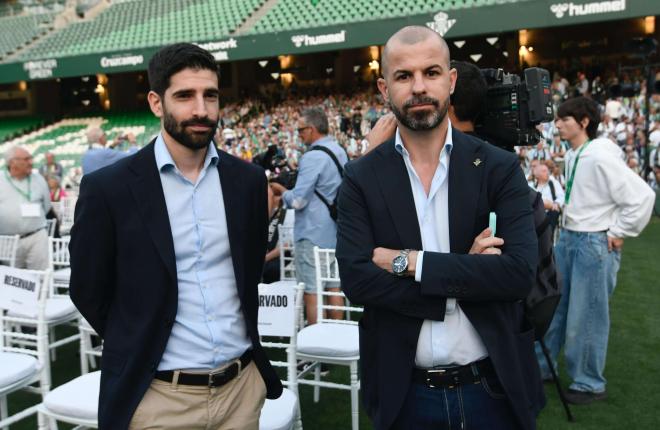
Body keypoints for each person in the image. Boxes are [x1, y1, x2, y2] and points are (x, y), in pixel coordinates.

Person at [336, 26, 543, 430]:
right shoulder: (361, 178)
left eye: (431, 73)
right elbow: (357, 280)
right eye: (403, 76)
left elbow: (518, 274)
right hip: (404, 393)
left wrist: (414, 263)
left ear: (450, 81)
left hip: (493, 388)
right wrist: (465, 271)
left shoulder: (498, 167)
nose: (418, 87)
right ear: (384, 88)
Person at [69, 43, 282, 430]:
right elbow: (87, 288)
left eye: (210, 96)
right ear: (156, 102)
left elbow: (248, 270)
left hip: (240, 392)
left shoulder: (248, 181)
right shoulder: (109, 189)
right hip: (158, 399)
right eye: (184, 96)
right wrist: (138, 339)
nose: (201, 110)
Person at [536, 96, 655, 405]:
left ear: (584, 122)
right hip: (570, 238)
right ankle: (541, 367)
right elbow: (586, 197)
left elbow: (642, 197)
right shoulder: (578, 154)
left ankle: (589, 383)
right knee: (555, 306)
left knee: (585, 314)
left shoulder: (598, 156)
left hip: (591, 242)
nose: (558, 124)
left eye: (565, 119)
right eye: (558, 119)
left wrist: (618, 232)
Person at [270, 107, 348, 325]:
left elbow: (298, 201)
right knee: (334, 286)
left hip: (312, 233)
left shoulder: (312, 156)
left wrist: (280, 191)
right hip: (335, 231)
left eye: (301, 130)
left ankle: (315, 347)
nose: (299, 134)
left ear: (312, 129)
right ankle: (337, 336)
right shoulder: (340, 150)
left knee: (312, 291)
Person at [0, 146, 50, 269]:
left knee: (41, 277)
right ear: (12, 162)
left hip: (37, 236)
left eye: (31, 158)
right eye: (26, 159)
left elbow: (47, 206)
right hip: (7, 240)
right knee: (12, 281)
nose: (31, 162)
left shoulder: (38, 178)